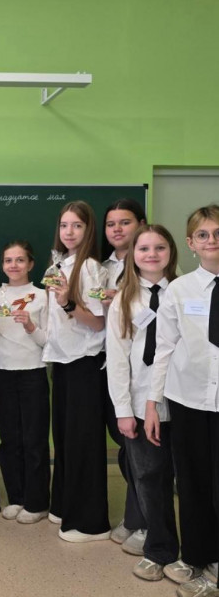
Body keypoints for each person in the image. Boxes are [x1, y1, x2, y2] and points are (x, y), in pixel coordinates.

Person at [149, 205, 219, 597]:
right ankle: (196, 555)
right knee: (191, 483)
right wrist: (152, 403)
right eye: (203, 234)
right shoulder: (179, 290)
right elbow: (164, 348)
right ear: (191, 243)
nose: (212, 240)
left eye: (218, 233)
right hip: (188, 400)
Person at [106, 224, 181, 582]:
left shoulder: (182, 292)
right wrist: (123, 411)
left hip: (183, 402)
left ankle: (199, 551)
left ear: (171, 252)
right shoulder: (124, 299)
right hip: (138, 403)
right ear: (133, 255)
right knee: (149, 477)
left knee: (192, 479)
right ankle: (159, 548)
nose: (151, 254)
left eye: (160, 248)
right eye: (144, 249)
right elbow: (118, 359)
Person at [42, 200, 111, 543]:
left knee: (83, 442)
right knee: (65, 439)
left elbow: (98, 323)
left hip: (84, 362)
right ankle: (63, 505)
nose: (69, 232)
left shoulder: (92, 268)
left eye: (77, 226)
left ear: (88, 230)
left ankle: (90, 523)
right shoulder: (59, 264)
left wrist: (69, 302)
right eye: (64, 225)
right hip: (63, 361)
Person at [0, 240, 50, 524]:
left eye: (20, 260)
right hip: (5, 372)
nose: (14, 265)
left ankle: (37, 502)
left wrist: (30, 325)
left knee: (34, 439)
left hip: (34, 371)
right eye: (8, 260)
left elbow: (48, 341)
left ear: (30, 264)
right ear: (2, 265)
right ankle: (16, 497)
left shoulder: (43, 296)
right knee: (10, 439)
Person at [100, 198, 148, 550]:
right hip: (109, 366)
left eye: (125, 222)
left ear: (141, 224)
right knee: (125, 446)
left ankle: (143, 520)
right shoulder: (100, 267)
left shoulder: (150, 263)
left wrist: (121, 301)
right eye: (111, 224)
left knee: (144, 452)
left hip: (142, 371)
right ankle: (135, 516)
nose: (117, 229)